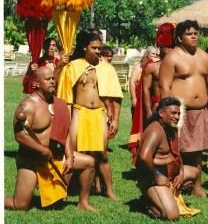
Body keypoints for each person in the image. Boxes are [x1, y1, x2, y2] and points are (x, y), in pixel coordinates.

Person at [5, 66, 97, 211]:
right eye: (47, 79)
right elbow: (20, 136)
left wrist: (69, 156)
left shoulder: (59, 104)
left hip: (54, 155)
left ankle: (83, 203)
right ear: (36, 83)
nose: (52, 81)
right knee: (20, 205)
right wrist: (41, 150)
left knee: (89, 162)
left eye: (53, 78)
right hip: (30, 159)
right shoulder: (27, 106)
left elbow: (65, 133)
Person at [55, 31, 123, 200]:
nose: (97, 51)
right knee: (73, 153)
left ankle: (109, 191)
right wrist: (59, 66)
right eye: (94, 48)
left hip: (100, 114)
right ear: (84, 47)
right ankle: (63, 191)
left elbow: (116, 96)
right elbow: (58, 83)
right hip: (79, 112)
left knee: (103, 154)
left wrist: (115, 119)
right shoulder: (74, 65)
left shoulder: (107, 68)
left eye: (99, 48)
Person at [159, 20, 208, 197]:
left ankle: (196, 186)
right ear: (179, 38)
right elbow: (165, 86)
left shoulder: (205, 57)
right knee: (177, 150)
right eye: (189, 33)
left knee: (197, 150)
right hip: (179, 111)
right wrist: (169, 113)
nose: (194, 36)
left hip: (201, 111)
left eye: (195, 33)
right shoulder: (172, 58)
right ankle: (174, 184)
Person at [136, 97, 200, 220]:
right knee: (172, 215)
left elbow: (176, 154)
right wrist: (156, 178)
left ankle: (170, 192)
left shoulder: (171, 128)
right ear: (161, 113)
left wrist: (180, 173)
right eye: (173, 113)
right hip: (152, 175)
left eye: (178, 114)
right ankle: (146, 202)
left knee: (195, 173)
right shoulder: (155, 130)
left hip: (170, 171)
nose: (177, 117)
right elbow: (144, 158)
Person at [128, 22, 176, 165]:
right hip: (157, 106)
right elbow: (145, 90)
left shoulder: (178, 64)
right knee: (155, 138)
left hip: (175, 108)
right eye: (165, 47)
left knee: (173, 140)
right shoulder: (152, 67)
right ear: (160, 46)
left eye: (170, 47)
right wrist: (149, 111)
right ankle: (150, 166)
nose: (168, 50)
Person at [129, 46, 158, 117]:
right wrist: (134, 98)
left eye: (156, 54)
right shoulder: (139, 66)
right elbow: (132, 82)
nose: (155, 56)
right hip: (139, 97)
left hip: (151, 98)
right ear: (147, 54)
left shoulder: (157, 66)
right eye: (153, 54)